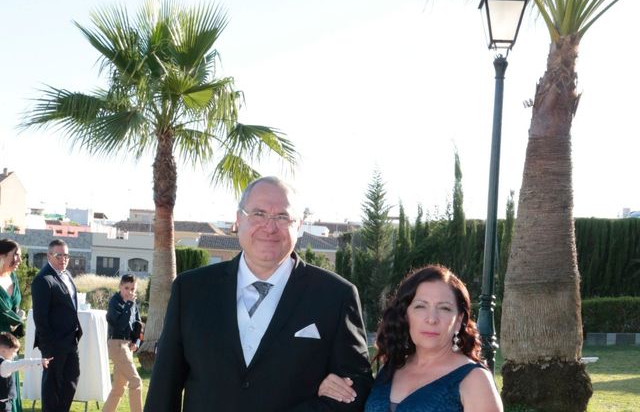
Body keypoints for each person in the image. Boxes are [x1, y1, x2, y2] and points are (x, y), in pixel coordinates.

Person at [144, 176, 373, 411]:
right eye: (259, 214)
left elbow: (357, 386)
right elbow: (164, 388)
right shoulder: (191, 289)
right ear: (238, 219)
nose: (270, 227)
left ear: (299, 225)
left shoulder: (335, 295)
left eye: (282, 217)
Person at [319, 265, 502, 412]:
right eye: (421, 306)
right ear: (405, 315)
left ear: (459, 320)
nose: (431, 319)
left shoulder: (474, 379)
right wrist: (329, 387)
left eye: (444, 308)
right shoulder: (390, 368)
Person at [31, 239, 82, 412]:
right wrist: (47, 347)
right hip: (54, 344)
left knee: (71, 381)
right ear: (48, 255)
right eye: (58, 255)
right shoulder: (43, 279)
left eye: (66, 255)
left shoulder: (66, 275)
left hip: (71, 340)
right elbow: (40, 317)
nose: (63, 259)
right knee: (52, 386)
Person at [103, 273, 144, 412]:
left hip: (126, 346)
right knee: (136, 382)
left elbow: (138, 323)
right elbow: (119, 325)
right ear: (120, 286)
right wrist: (128, 304)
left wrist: (136, 341)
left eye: (133, 289)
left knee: (118, 388)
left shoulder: (132, 303)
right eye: (127, 288)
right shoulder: (114, 302)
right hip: (117, 345)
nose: (130, 292)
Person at [0, 239, 26, 412]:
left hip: (11, 340)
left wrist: (18, 319)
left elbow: (14, 307)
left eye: (20, 255)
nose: (19, 260)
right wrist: (18, 320)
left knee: (10, 386)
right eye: (15, 255)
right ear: (1, 256)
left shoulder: (13, 277)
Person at [0, 332, 52, 411]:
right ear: (3, 350)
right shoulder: (5, 365)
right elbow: (22, 363)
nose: (15, 355)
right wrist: (40, 361)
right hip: (3, 406)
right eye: (14, 351)